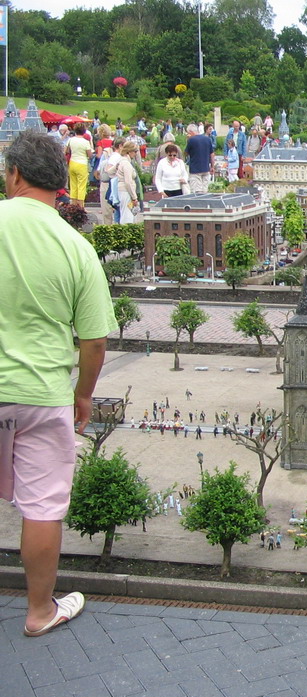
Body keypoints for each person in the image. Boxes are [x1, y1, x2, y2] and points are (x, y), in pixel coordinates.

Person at [0, 131, 117, 637]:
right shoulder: (76, 246)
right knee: (43, 507)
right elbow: (94, 340)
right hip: (42, 394)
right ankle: (40, 611)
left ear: (14, 174)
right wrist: (84, 395)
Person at [65, 123, 93, 204]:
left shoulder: (70, 140)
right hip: (82, 164)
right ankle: (81, 206)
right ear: (84, 131)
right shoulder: (85, 142)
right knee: (81, 186)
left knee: (73, 184)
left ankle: (73, 204)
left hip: (72, 163)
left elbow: (66, 151)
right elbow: (90, 155)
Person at [115, 141, 141, 223]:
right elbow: (128, 182)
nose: (136, 153)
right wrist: (134, 197)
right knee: (127, 216)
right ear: (129, 152)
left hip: (122, 190)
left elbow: (109, 171)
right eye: (135, 151)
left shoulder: (121, 161)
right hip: (126, 192)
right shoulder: (126, 164)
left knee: (125, 213)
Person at [185, 124, 215, 194]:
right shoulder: (207, 139)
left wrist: (187, 140)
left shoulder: (191, 140)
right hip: (206, 168)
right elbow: (212, 154)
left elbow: (186, 153)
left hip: (195, 170)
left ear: (191, 132)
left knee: (196, 192)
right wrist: (212, 167)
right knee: (205, 191)